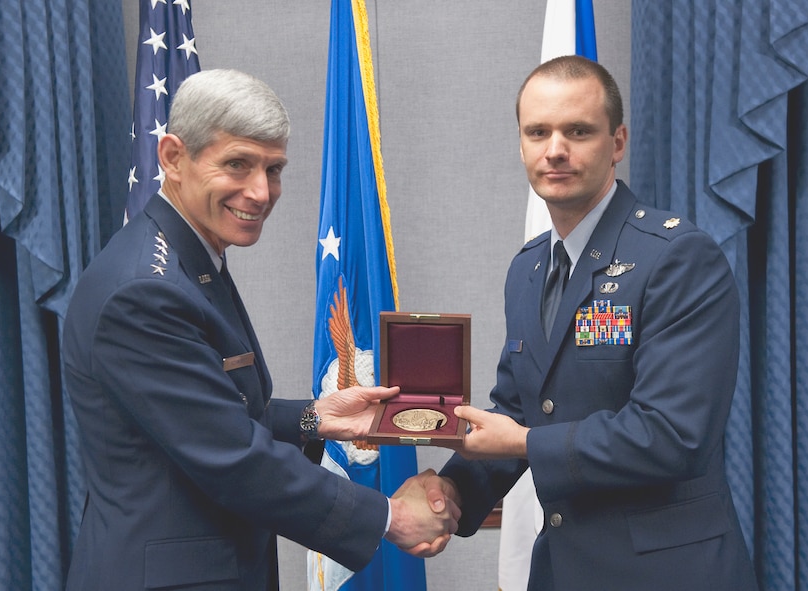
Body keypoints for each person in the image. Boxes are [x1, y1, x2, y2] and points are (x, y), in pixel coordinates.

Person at [62, 69, 458, 591]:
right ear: (173, 158)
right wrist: (389, 516)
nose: (261, 191)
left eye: (274, 169)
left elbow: (214, 413)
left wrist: (317, 418)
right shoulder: (146, 290)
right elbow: (232, 457)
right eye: (237, 165)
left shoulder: (189, 259)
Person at [431, 56, 759, 590]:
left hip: (668, 574)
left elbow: (671, 435)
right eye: (538, 132)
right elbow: (519, 408)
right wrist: (451, 496)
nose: (554, 149)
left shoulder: (676, 258)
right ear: (521, 144)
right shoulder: (528, 269)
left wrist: (521, 444)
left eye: (577, 131)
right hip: (563, 571)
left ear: (618, 142)